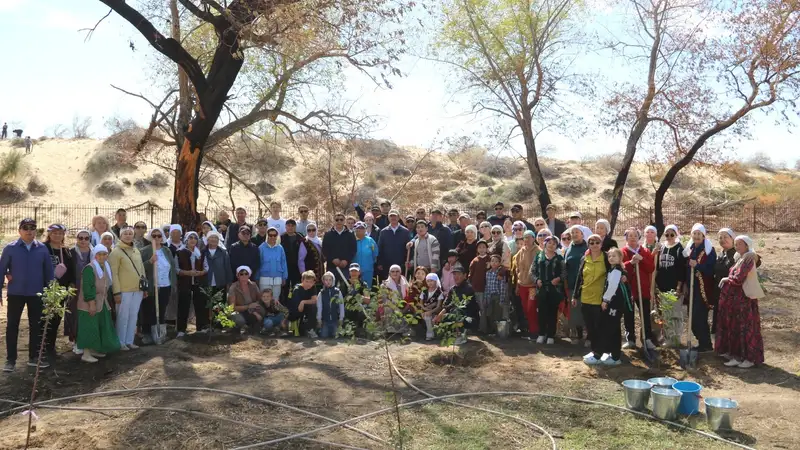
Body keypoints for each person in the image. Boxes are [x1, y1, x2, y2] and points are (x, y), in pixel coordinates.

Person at [1, 219, 55, 372]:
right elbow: (1, 269)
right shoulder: (10, 248)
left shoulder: (42, 249)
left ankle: (34, 357)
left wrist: (50, 293)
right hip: (15, 293)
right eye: (25, 228)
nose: (29, 231)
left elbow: (49, 272)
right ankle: (10, 360)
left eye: (32, 228)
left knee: (36, 325)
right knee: (12, 326)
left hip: (36, 293)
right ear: (20, 230)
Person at [716, 235, 764, 368]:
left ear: (747, 246)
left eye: (740, 244)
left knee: (744, 328)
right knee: (735, 327)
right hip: (735, 300)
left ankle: (748, 357)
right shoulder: (739, 258)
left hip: (744, 300)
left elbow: (739, 277)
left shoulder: (748, 258)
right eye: (736, 244)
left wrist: (726, 279)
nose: (737, 247)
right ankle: (736, 355)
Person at [75, 244, 121, 363]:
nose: (102, 256)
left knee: (99, 326)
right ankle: (86, 353)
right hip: (90, 303)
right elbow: (88, 287)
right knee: (89, 327)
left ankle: (94, 349)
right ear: (94, 256)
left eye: (104, 254)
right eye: (99, 254)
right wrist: (91, 303)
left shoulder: (105, 267)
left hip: (101, 302)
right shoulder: (90, 268)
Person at [572, 234, 609, 365]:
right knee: (590, 327)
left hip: (600, 298)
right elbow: (579, 277)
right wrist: (575, 295)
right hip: (586, 297)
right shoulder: (585, 258)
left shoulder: (606, 257)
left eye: (597, 242)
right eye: (591, 243)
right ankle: (594, 351)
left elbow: (616, 270)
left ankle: (600, 352)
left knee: (599, 327)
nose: (594, 245)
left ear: (601, 244)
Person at [109, 227, 148, 350]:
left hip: (137, 290)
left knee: (133, 315)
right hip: (124, 290)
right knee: (123, 316)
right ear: (120, 236)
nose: (128, 235)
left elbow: (141, 269)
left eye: (130, 233)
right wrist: (116, 292)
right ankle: (120, 342)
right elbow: (113, 273)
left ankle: (129, 340)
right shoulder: (116, 252)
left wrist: (144, 287)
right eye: (125, 233)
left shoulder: (136, 250)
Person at [41, 224, 76, 358]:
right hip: (45, 290)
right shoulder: (42, 248)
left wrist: (70, 286)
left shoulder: (66, 251)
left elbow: (72, 271)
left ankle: (50, 348)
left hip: (61, 291)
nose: (57, 235)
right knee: (44, 320)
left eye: (60, 233)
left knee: (56, 320)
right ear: (49, 234)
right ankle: (41, 348)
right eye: (54, 232)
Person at [621, 227, 657, 351]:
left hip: (643, 289)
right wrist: (630, 262)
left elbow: (651, 268)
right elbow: (621, 268)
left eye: (635, 236)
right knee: (628, 314)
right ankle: (630, 339)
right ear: (626, 238)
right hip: (629, 290)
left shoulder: (644, 251)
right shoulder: (624, 252)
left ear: (639, 238)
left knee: (645, 315)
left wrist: (642, 260)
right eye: (629, 236)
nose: (632, 238)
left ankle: (647, 339)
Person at [595, 247, 632, 366]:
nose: (611, 258)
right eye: (609, 256)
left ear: (620, 258)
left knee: (610, 328)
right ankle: (613, 354)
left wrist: (605, 300)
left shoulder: (616, 271)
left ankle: (608, 355)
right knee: (613, 328)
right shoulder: (613, 270)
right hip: (614, 303)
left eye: (614, 256)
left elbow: (612, 287)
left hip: (614, 304)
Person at [683, 223, 717, 352]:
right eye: (694, 233)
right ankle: (701, 341)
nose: (696, 236)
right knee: (691, 317)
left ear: (703, 236)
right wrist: (686, 284)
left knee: (699, 317)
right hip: (692, 288)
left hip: (703, 289)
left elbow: (710, 269)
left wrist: (697, 265)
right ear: (691, 235)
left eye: (699, 234)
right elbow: (686, 269)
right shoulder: (689, 249)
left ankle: (706, 344)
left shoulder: (709, 251)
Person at [140, 227, 176, 345]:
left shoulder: (167, 250)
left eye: (159, 236)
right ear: (150, 237)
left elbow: (172, 267)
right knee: (149, 309)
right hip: (152, 286)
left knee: (161, 308)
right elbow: (140, 268)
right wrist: (150, 261)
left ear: (162, 238)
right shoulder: (144, 251)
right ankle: (147, 333)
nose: (156, 238)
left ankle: (160, 333)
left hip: (165, 285)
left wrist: (173, 283)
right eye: (154, 236)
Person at [531, 236, 567, 344]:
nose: (551, 245)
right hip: (541, 289)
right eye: (549, 243)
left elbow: (564, 273)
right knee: (542, 313)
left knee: (552, 312)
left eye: (554, 243)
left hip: (554, 290)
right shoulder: (538, 257)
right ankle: (541, 334)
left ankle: (551, 335)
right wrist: (536, 280)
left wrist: (559, 278)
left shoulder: (559, 259)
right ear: (545, 244)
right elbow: (532, 271)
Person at [434, 264, 479, 345]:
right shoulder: (453, 289)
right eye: (454, 274)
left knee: (456, 311)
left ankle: (461, 335)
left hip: (469, 318)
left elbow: (460, 304)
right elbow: (445, 304)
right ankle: (451, 334)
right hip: (455, 314)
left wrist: (444, 310)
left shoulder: (469, 288)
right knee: (441, 315)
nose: (456, 276)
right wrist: (442, 312)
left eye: (459, 274)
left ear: (465, 276)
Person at [176, 231, 209, 337]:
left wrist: (201, 272)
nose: (193, 240)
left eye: (195, 238)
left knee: (200, 304)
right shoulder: (180, 252)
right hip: (185, 282)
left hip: (198, 282)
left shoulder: (200, 253)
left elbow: (206, 267)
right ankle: (181, 329)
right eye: (190, 238)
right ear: (186, 239)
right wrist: (187, 273)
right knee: (183, 305)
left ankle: (201, 327)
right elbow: (176, 269)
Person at [70, 229, 93, 354]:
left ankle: (89, 342)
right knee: (76, 316)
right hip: (76, 289)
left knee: (89, 315)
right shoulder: (71, 252)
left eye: (86, 238)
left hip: (90, 288)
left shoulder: (94, 252)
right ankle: (77, 342)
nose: (83, 241)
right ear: (77, 239)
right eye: (80, 238)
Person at [564, 226, 588, 344]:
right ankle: (578, 335)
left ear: (582, 234)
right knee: (574, 311)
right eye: (572, 233)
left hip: (586, 285)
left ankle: (588, 336)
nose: (574, 235)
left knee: (586, 310)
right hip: (572, 284)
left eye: (577, 232)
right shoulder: (569, 248)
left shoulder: (587, 247)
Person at [713, 228, 738, 337]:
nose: (723, 240)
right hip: (719, 292)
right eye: (720, 238)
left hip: (732, 294)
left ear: (733, 239)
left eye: (725, 237)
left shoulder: (737, 255)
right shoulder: (720, 254)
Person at [323, 212, 357, 288]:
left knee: (345, 287)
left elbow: (353, 250)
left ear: (344, 221)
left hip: (345, 266)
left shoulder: (350, 234)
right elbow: (325, 250)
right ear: (334, 221)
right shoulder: (328, 234)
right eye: (337, 220)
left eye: (341, 220)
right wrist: (332, 259)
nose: (339, 221)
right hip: (332, 266)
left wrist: (346, 260)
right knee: (330, 287)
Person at [203, 230, 232, 313]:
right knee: (207, 305)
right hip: (206, 283)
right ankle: (207, 324)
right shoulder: (203, 252)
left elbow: (227, 268)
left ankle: (219, 324)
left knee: (219, 305)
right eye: (211, 237)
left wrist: (229, 282)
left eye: (215, 238)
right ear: (207, 240)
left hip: (220, 282)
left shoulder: (223, 253)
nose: (213, 239)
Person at [514, 230, 537, 336]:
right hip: (522, 285)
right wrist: (517, 285)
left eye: (529, 237)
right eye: (525, 238)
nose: (527, 240)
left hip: (533, 285)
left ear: (534, 238)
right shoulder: (521, 251)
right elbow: (517, 267)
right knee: (525, 308)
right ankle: (530, 329)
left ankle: (534, 331)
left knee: (531, 307)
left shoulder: (538, 251)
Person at [228, 266, 263, 333]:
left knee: (262, 310)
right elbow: (232, 307)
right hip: (238, 311)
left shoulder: (254, 285)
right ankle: (236, 330)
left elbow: (260, 299)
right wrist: (248, 306)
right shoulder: (233, 287)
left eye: (246, 273)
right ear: (238, 276)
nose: (244, 276)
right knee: (240, 321)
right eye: (241, 274)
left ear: (249, 275)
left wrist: (253, 310)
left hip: (251, 310)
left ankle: (254, 328)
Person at [377, 210, 410, 281]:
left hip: (401, 264)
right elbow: (380, 248)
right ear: (388, 218)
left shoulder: (405, 231)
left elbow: (409, 249)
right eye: (391, 216)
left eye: (395, 216)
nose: (393, 218)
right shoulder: (383, 232)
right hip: (387, 264)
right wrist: (379, 262)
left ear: (398, 218)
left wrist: (408, 261)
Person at [286, 271, 319, 338]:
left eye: (311, 282)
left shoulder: (313, 287)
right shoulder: (297, 289)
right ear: (302, 280)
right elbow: (299, 309)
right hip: (295, 312)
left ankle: (310, 329)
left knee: (314, 307)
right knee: (301, 333)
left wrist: (303, 302)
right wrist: (303, 303)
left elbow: (315, 301)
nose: (309, 284)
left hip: (304, 307)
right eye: (306, 281)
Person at [258, 227, 288, 299]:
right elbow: (258, 263)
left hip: (277, 279)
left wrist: (284, 277)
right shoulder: (261, 248)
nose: (272, 237)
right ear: (267, 236)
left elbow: (283, 263)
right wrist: (256, 277)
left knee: (275, 300)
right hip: (264, 279)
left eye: (274, 235)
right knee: (265, 299)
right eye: (270, 235)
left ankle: (275, 311)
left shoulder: (280, 248)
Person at [484, 254, 508, 334]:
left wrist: (502, 299)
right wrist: (486, 298)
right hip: (489, 296)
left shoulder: (500, 274)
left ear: (499, 263)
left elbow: (502, 287)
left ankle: (498, 331)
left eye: (496, 261)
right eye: (492, 261)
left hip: (497, 296)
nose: (494, 263)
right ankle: (491, 330)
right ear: (490, 263)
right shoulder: (488, 273)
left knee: (497, 314)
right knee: (489, 313)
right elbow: (487, 286)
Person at [317, 272, 345, 338]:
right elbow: (319, 307)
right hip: (325, 320)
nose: (328, 282)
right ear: (323, 281)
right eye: (326, 280)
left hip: (335, 320)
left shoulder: (338, 292)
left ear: (333, 280)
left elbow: (341, 305)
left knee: (337, 336)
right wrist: (319, 319)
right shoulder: (321, 293)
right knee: (323, 336)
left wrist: (341, 318)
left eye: (330, 280)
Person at [281, 220, 304, 296]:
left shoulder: (300, 237)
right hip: (285, 266)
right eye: (288, 226)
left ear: (295, 227)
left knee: (297, 286)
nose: (290, 228)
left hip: (297, 267)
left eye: (292, 226)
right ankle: (285, 304)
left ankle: (295, 303)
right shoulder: (281, 237)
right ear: (285, 226)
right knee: (285, 286)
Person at [420, 273, 446, 340]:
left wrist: (430, 311)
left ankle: (430, 334)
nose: (430, 283)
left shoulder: (439, 292)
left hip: (435, 311)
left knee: (428, 316)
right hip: (425, 310)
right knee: (426, 315)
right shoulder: (424, 291)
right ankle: (431, 333)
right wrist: (424, 309)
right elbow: (421, 303)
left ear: (435, 281)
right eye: (428, 281)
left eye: (432, 281)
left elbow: (438, 306)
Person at [353, 222, 379, 288]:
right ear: (355, 230)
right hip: (355, 270)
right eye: (358, 228)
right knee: (355, 289)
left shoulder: (370, 240)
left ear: (365, 230)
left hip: (368, 269)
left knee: (367, 289)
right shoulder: (352, 240)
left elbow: (375, 254)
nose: (360, 230)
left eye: (362, 228)